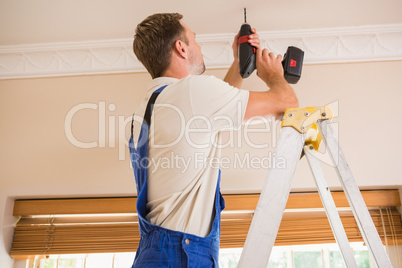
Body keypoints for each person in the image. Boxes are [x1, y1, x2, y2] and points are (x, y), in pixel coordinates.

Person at [129, 13, 298, 267]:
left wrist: (238, 66)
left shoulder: (150, 106)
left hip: (154, 254)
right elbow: (287, 104)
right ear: (181, 48)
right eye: (194, 39)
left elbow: (208, 117)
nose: (198, 45)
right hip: (181, 255)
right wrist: (274, 75)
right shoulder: (191, 92)